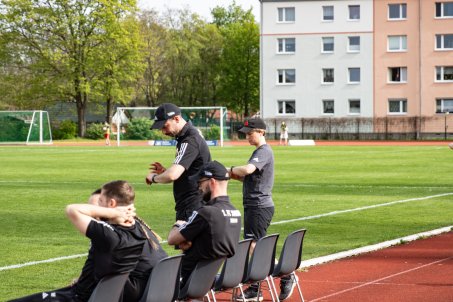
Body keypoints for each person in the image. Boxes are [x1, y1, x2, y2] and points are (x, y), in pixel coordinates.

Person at [10, 181, 167, 302]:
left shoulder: (110, 235)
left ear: (111, 205)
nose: (93, 214)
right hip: (111, 291)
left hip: (82, 296)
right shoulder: (138, 229)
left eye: (98, 206)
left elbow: (72, 210)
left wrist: (111, 212)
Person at [229, 118, 296, 301]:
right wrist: (232, 176)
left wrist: (229, 169)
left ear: (261, 132)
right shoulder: (260, 152)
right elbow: (250, 178)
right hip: (255, 205)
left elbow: (249, 170)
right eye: (246, 134)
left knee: (254, 246)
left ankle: (282, 276)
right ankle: (258, 285)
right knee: (256, 246)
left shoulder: (263, 151)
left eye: (250, 133)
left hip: (258, 205)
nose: (247, 137)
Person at [167, 160, 241, 290]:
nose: (199, 187)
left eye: (200, 182)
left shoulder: (205, 213)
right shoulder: (236, 213)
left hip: (184, 281)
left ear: (212, 182)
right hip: (206, 281)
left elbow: (172, 240)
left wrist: (177, 225)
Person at [145, 103, 211, 221]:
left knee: (180, 239)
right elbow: (190, 172)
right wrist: (164, 172)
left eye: (165, 126)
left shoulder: (189, 140)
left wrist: (153, 177)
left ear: (176, 119)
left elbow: (172, 175)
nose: (164, 132)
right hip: (193, 203)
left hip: (192, 204)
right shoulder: (186, 137)